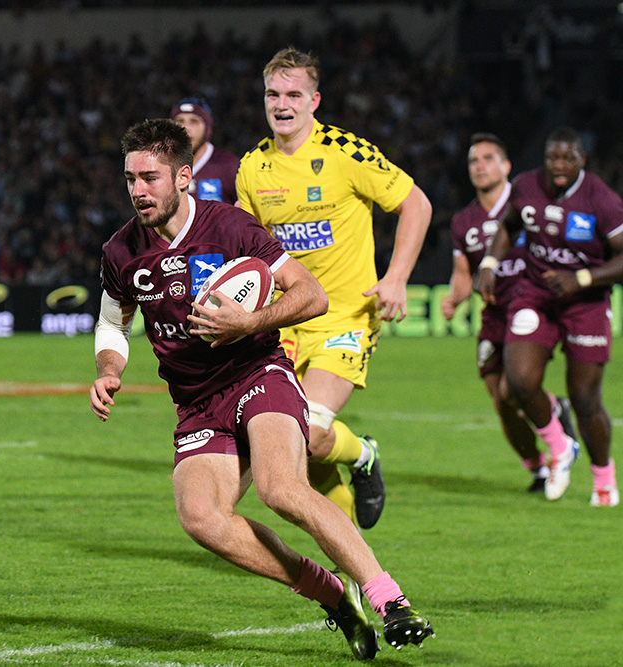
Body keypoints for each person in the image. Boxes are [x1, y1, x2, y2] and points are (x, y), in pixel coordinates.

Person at [91, 118, 433, 661]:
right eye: (130, 177)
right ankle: (330, 592)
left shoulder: (230, 228)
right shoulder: (121, 252)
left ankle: (391, 600)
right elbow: (113, 322)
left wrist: (250, 324)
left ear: (183, 177)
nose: (137, 190)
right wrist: (110, 369)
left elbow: (312, 294)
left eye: (150, 177)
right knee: (201, 517)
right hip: (196, 403)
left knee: (280, 488)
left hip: (256, 373)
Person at [235, 47, 433, 530]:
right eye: (273, 94)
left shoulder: (347, 152)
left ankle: (363, 454)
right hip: (284, 323)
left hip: (345, 317)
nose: (282, 104)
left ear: (314, 100)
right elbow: (248, 254)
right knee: (295, 449)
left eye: (293, 94)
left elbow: (417, 204)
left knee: (309, 429)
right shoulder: (252, 169)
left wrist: (397, 278)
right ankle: (349, 568)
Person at [478, 126, 622, 506]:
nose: (558, 166)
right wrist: (491, 262)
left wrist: (583, 278)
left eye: (566, 159)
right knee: (520, 381)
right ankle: (560, 447)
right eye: (552, 158)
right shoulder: (527, 185)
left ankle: (604, 478)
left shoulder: (602, 200)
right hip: (536, 294)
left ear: (581, 161)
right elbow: (509, 226)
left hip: (585, 303)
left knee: (584, 397)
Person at [441, 133, 577, 492]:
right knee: (501, 403)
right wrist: (455, 299)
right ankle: (536, 466)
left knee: (508, 391)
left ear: (506, 166)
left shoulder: (528, 205)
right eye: (473, 161)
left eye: (488, 159)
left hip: (531, 309)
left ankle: (555, 437)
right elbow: (462, 275)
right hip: (494, 316)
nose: (480, 166)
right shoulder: (464, 221)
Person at [170, 97, 241, 205]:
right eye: (180, 121)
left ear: (207, 129)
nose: (186, 127)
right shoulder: (163, 167)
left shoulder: (230, 167)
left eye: (194, 121)